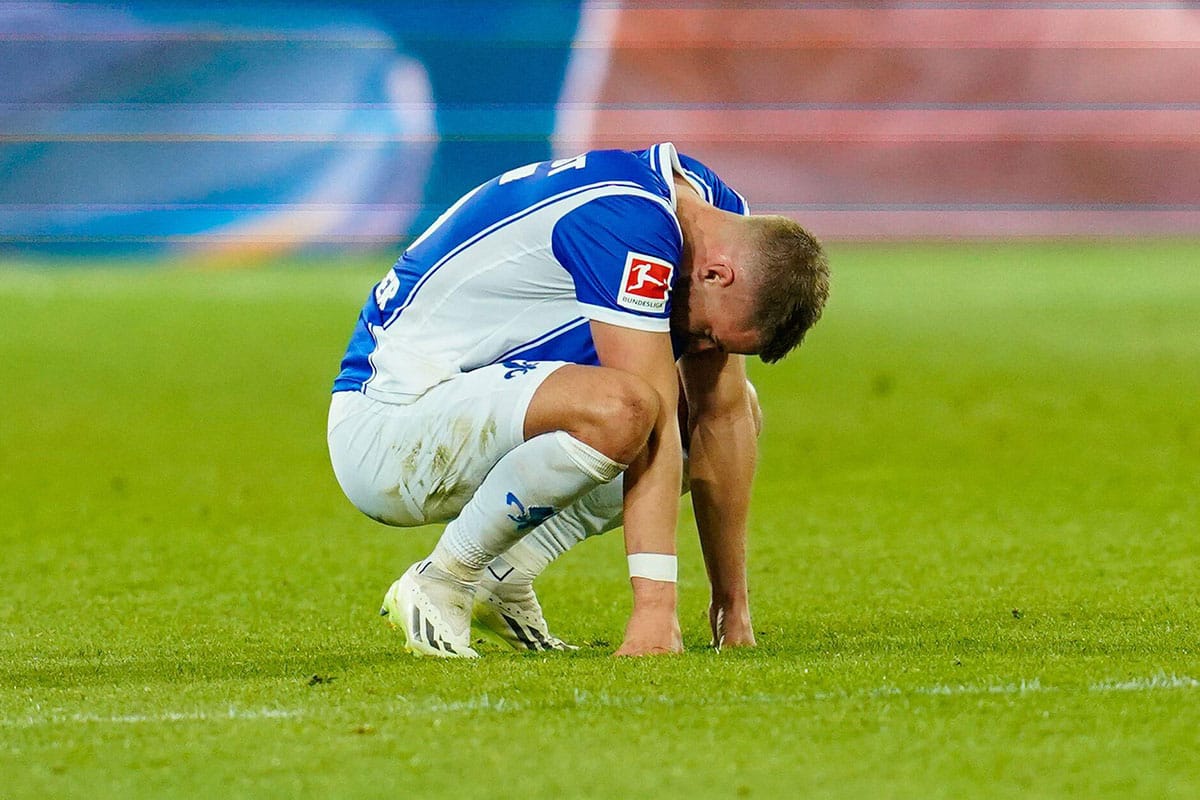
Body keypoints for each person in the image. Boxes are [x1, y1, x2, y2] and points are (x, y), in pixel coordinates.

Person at [327, 142, 829, 657]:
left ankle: (504, 574)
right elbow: (650, 420)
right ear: (717, 273)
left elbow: (720, 415)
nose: (699, 349)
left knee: (729, 404)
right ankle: (446, 579)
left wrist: (731, 605)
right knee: (626, 409)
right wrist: (655, 613)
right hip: (388, 426)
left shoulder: (711, 217)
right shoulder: (628, 221)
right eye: (709, 336)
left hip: (471, 403)